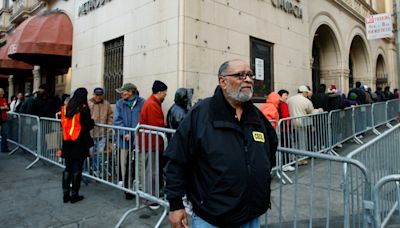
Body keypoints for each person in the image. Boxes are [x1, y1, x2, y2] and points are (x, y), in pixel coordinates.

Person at [164, 59, 278, 228]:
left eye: (250, 75)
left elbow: (270, 150)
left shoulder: (257, 117)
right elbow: (176, 159)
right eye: (240, 75)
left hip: (251, 215)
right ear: (222, 81)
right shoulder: (200, 114)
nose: (248, 79)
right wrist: (175, 204)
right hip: (212, 218)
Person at [61, 88, 94, 203]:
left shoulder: (67, 108)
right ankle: (74, 195)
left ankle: (65, 194)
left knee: (67, 168)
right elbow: (88, 125)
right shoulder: (83, 109)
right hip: (79, 141)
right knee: (77, 168)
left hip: (67, 140)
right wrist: (92, 122)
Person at [113, 83, 144, 200]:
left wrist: (139, 133)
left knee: (138, 163)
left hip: (138, 140)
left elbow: (144, 120)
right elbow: (117, 121)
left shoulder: (142, 102)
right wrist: (124, 133)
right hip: (124, 141)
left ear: (131, 92)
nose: (122, 94)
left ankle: (139, 187)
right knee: (125, 164)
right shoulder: (120, 103)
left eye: (124, 91)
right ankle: (128, 189)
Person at [139, 80, 168, 209]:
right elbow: (156, 125)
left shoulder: (153, 103)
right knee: (151, 171)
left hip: (153, 143)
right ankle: (150, 198)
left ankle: (153, 195)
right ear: (160, 92)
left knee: (153, 171)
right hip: (151, 144)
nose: (165, 96)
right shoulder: (152, 104)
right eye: (165, 93)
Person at [88, 87, 113, 175]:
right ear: (94, 94)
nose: (98, 97)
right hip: (90, 133)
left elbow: (110, 115)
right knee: (91, 152)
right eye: (96, 95)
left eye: (100, 95)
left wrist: (109, 127)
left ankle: (96, 170)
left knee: (99, 153)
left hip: (102, 133)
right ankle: (90, 169)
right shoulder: (89, 103)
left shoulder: (106, 104)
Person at [0, 88, 10, 153]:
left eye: (3, 91)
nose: (3, 93)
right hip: (0, 120)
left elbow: (7, 108)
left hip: (4, 119)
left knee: (5, 134)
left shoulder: (4, 99)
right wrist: (3, 107)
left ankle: (4, 148)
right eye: (2, 91)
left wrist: (2, 108)